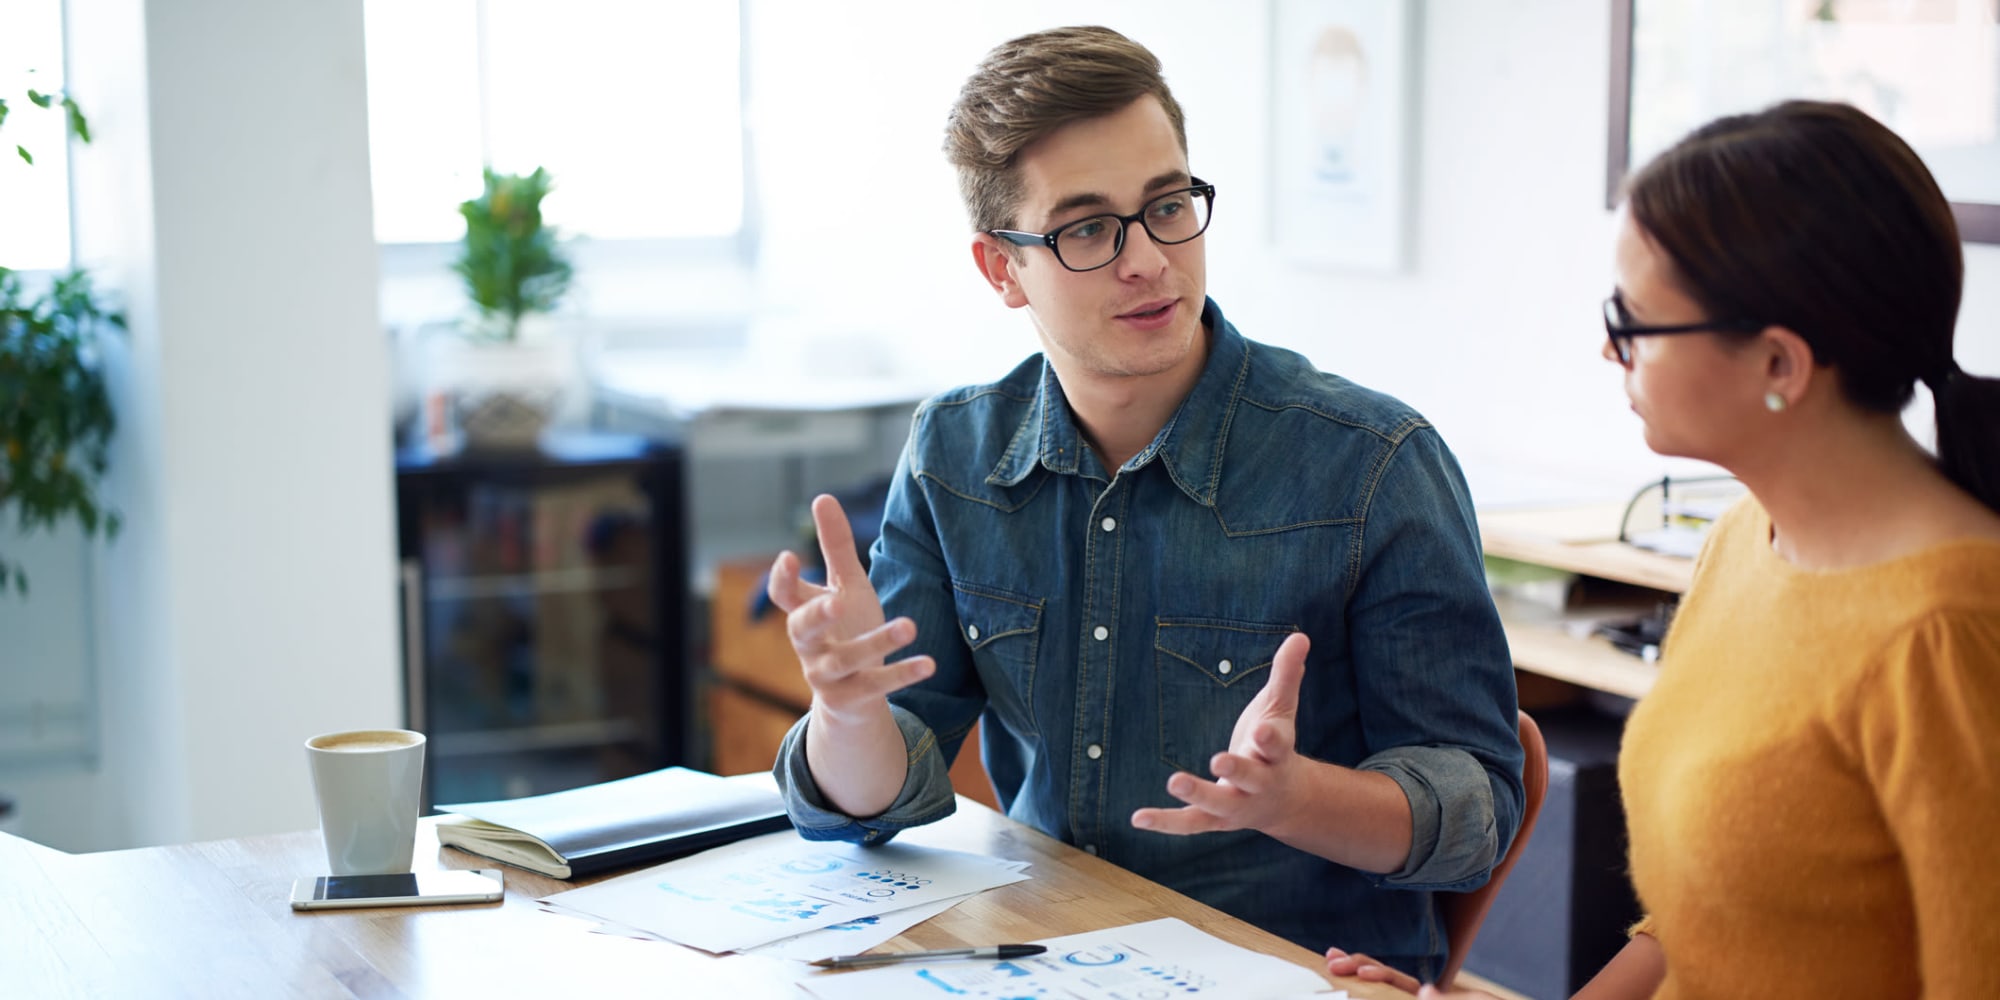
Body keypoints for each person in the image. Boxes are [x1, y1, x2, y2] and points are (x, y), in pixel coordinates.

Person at [764, 25, 1522, 977]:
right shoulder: (955, 452)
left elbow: (1478, 812)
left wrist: (1295, 798)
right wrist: (845, 714)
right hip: (1041, 958)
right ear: (1002, 268)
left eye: (1168, 205)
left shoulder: (1373, 465)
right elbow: (877, 804)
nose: (1148, 260)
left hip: (1292, 972)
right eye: (1087, 228)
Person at [1328, 100, 2000, 998]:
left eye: (1634, 320)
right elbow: (1702, 927)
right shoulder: (1743, 543)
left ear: (1779, 365)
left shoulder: (1949, 633)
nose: (1611, 349)